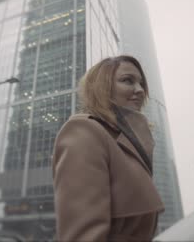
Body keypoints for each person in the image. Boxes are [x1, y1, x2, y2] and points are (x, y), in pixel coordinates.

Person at [52, 55, 164, 241]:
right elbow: (83, 235)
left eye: (141, 83)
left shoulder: (131, 140)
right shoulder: (85, 131)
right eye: (127, 81)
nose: (139, 90)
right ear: (102, 87)